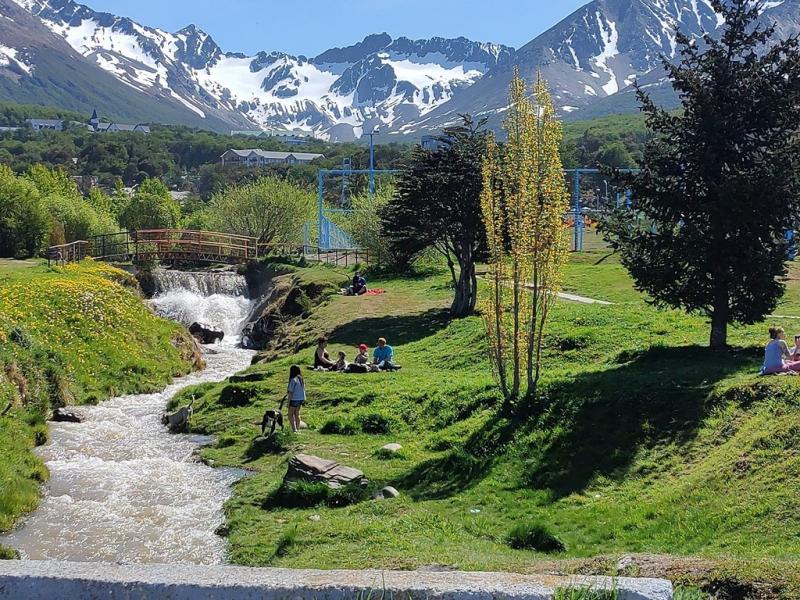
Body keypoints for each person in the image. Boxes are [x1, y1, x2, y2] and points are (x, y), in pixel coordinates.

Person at [286, 365, 306, 433]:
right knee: (297, 414)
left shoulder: (293, 380)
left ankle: (294, 430)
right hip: (301, 399)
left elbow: (290, 393)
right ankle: (298, 429)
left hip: (294, 399)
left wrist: (288, 403)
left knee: (290, 415)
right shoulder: (301, 379)